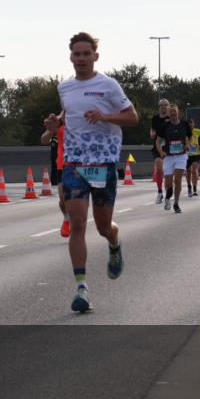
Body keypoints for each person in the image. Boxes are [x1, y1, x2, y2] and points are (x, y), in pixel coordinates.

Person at [49, 32, 139, 313]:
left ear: (95, 57)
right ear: (70, 57)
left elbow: (132, 117)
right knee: (77, 223)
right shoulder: (64, 88)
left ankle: (114, 242)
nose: (81, 59)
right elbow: (67, 117)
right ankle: (82, 288)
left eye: (86, 54)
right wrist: (55, 124)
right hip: (75, 163)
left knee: (102, 227)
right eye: (77, 54)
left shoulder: (108, 85)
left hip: (103, 162)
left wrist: (105, 116)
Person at [158, 104, 191, 213]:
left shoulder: (185, 124)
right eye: (170, 112)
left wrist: (188, 144)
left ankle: (176, 203)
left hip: (181, 155)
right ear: (168, 114)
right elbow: (158, 141)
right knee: (168, 184)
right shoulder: (165, 126)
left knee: (178, 180)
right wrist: (161, 152)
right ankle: (168, 198)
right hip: (168, 157)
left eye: (174, 111)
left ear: (178, 112)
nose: (173, 113)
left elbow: (190, 137)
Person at [40, 115, 69, 237]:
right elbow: (44, 140)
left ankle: (78, 221)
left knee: (77, 198)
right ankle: (67, 218)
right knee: (63, 199)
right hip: (62, 166)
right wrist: (51, 129)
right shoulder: (58, 123)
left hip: (79, 164)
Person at [149, 99, 170, 204]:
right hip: (157, 146)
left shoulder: (171, 118)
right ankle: (159, 192)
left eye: (165, 105)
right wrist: (152, 133)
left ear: (168, 107)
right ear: (159, 107)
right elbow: (152, 130)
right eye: (161, 105)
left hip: (169, 147)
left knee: (168, 172)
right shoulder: (155, 118)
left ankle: (168, 191)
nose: (163, 107)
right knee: (159, 168)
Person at [186, 117, 200, 197]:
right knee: (188, 172)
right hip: (187, 154)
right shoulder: (184, 132)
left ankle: (195, 188)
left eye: (192, 123)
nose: (191, 125)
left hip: (196, 154)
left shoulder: (197, 131)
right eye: (189, 124)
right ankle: (189, 186)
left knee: (194, 170)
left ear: (194, 124)